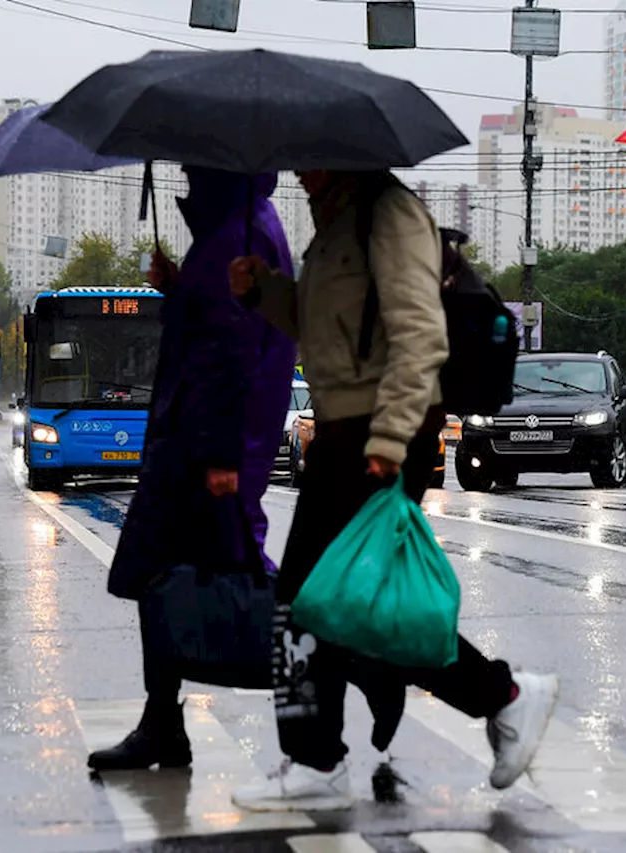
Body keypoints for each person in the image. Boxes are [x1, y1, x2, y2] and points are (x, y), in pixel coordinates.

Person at [227, 169, 558, 810]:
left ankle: (321, 759)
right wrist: (262, 292)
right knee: (340, 606)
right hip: (346, 429)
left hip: (376, 433)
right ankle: (500, 698)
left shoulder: (390, 212)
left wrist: (390, 438)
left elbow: (420, 335)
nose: (299, 169)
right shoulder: (336, 226)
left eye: (310, 157)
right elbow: (330, 329)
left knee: (313, 602)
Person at [87, 166, 297, 771]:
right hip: (206, 443)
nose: (181, 174)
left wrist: (218, 458)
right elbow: (218, 324)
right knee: (166, 580)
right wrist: (179, 290)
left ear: (216, 168)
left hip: (206, 448)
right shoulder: (241, 226)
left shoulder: (238, 233)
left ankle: (379, 677)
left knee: (199, 581)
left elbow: (230, 349)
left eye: (190, 166)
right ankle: (163, 723)